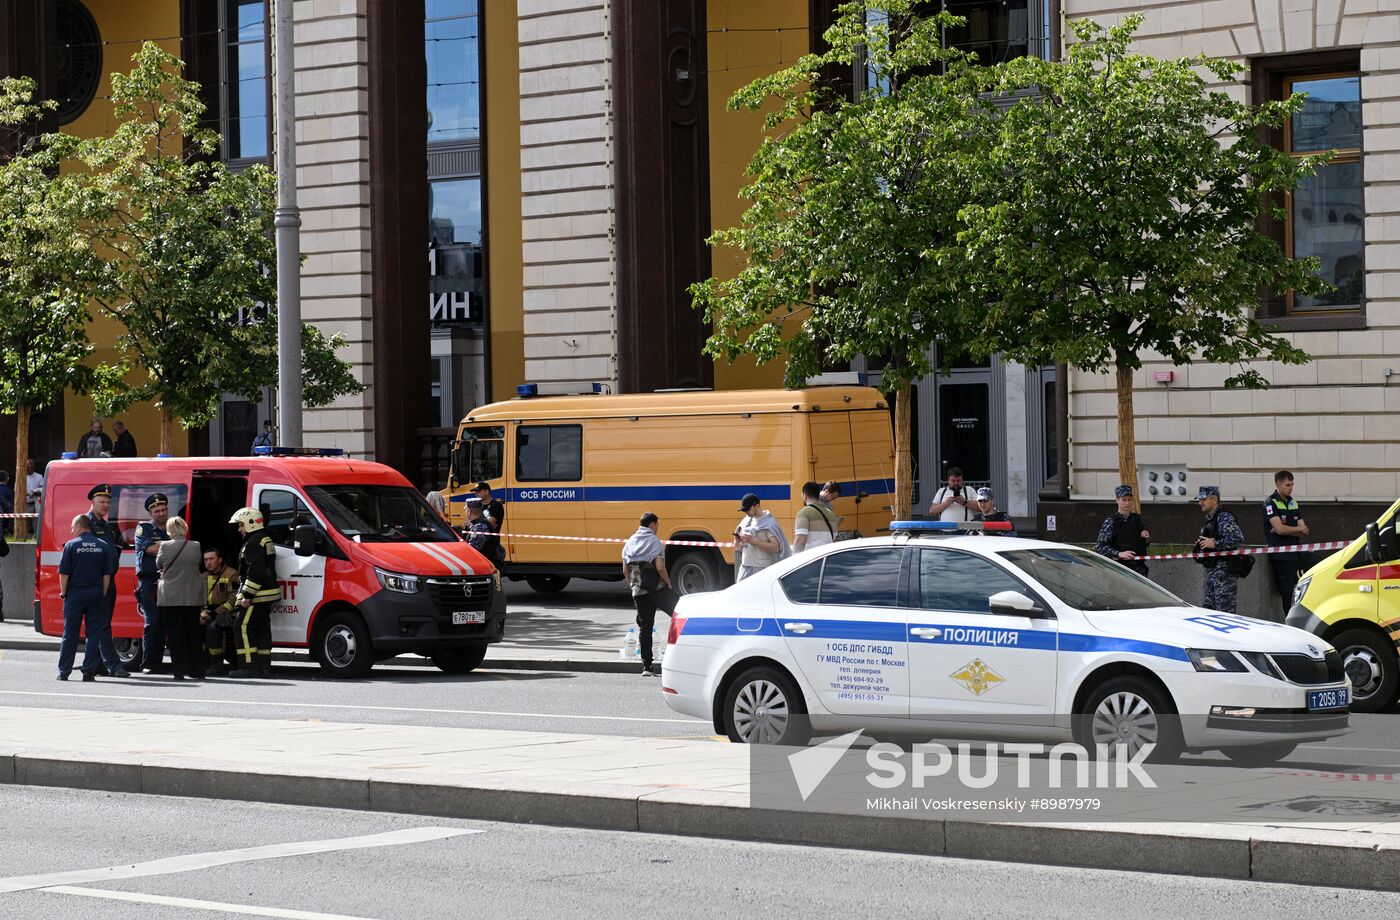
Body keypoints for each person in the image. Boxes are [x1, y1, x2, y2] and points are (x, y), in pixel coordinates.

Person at [55, 515, 117, 681]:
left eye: (73, 527)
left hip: (75, 595)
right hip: (96, 594)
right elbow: (107, 575)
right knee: (93, 634)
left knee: (70, 634)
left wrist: (63, 592)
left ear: (80, 527)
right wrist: (102, 593)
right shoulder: (102, 546)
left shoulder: (71, 545)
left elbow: (64, 574)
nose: (71, 530)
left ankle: (64, 672)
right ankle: (88, 671)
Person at [81, 484, 129, 677]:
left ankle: (97, 664)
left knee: (103, 624)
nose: (106, 505)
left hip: (109, 581)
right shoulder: (88, 524)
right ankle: (114, 665)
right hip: (98, 583)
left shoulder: (105, 524)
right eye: (102, 501)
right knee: (101, 625)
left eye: (108, 502)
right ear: (92, 502)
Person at [622, 512, 674, 677]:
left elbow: (625, 569)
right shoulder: (654, 541)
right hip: (656, 589)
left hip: (639, 591)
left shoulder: (629, 542)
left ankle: (647, 666)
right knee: (679, 614)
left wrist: (632, 586)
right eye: (657, 525)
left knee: (645, 627)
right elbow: (660, 567)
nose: (657, 528)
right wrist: (669, 583)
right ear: (652, 525)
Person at [230, 506, 280, 677]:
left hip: (258, 595)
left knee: (242, 626)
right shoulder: (263, 539)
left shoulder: (253, 543)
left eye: (241, 525)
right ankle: (264, 666)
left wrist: (247, 595)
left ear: (250, 524)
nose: (239, 529)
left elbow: (255, 571)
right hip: (267, 593)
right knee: (262, 627)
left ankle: (248, 666)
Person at [156, 516, 205, 681]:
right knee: (193, 632)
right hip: (191, 596)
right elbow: (197, 564)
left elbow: (159, 564)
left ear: (169, 531)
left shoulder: (164, 546)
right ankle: (197, 670)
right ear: (184, 528)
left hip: (170, 596)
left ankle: (179, 671)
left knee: (175, 634)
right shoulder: (196, 546)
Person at [1264, 470, 1310, 618]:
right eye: (1288, 484)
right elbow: (1281, 529)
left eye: (1292, 484)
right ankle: (1290, 623)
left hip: (1296, 554)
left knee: (1301, 591)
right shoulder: (1270, 502)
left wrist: (1286, 530)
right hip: (1282, 557)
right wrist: (1294, 529)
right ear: (1278, 484)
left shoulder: (1293, 502)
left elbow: (1305, 530)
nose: (1291, 488)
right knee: (1287, 595)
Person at [134, 492, 171, 673]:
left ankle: (158, 663)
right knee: (153, 623)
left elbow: (159, 549)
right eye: (157, 511)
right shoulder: (143, 529)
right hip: (150, 583)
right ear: (150, 513)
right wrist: (171, 546)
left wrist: (162, 547)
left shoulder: (172, 527)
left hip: (170, 581)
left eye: (163, 510)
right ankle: (148, 664)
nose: (161, 514)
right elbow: (149, 549)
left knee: (165, 623)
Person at [1195, 485, 1245, 614]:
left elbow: (1237, 538)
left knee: (1225, 613)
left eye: (1203, 499)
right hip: (1213, 571)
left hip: (1225, 572)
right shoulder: (1211, 518)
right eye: (1199, 499)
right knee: (1209, 612)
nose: (1200, 502)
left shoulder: (1224, 517)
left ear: (1214, 499)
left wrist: (1214, 543)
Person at [201, 547, 240, 676]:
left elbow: (234, 598)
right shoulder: (203, 577)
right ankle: (203, 662)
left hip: (227, 613)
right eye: (206, 559)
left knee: (213, 628)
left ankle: (216, 665)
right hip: (209, 612)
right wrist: (202, 613)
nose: (208, 562)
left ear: (220, 560)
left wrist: (217, 612)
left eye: (211, 559)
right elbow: (198, 598)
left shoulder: (232, 574)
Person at [1095, 484, 1150, 575]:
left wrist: (1145, 537)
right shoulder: (1111, 522)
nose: (1127, 503)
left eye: (1129, 500)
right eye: (1124, 500)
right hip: (1120, 570)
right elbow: (1100, 547)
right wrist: (1118, 554)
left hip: (1139, 569)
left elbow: (1141, 544)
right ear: (1117, 500)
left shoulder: (1137, 519)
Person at [734, 493, 789, 581]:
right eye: (744, 510)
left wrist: (756, 541)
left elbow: (776, 547)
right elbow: (737, 545)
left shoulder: (769, 522)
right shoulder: (746, 520)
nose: (746, 512)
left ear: (757, 506)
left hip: (762, 568)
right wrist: (739, 540)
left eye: (748, 509)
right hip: (745, 566)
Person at [793, 481, 839, 553]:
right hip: (826, 558)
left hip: (812, 560)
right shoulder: (832, 515)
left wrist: (794, 560)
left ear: (805, 495)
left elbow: (800, 541)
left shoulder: (803, 513)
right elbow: (833, 539)